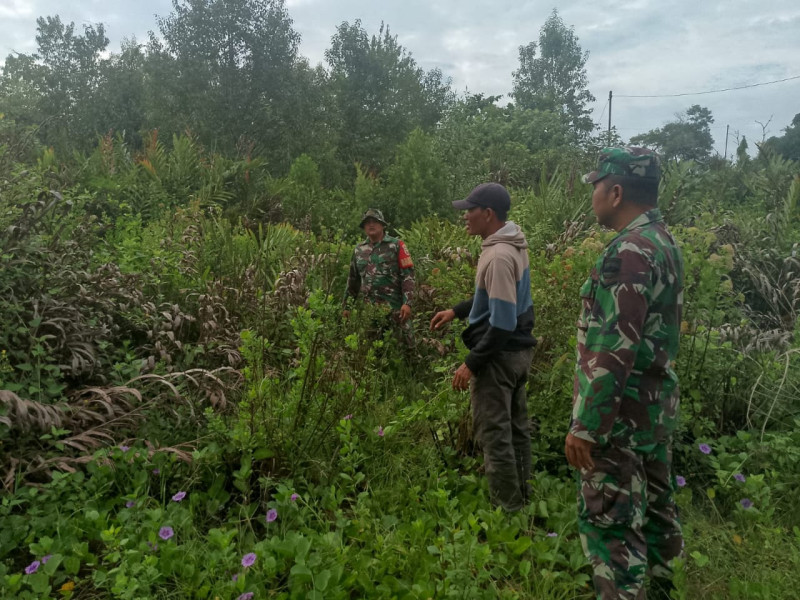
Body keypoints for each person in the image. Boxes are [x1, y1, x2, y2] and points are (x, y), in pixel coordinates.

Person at [564, 147, 685, 599]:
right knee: (656, 517)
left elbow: (614, 348)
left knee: (612, 530)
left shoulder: (629, 252)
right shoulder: (662, 241)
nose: (591, 194)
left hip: (619, 425)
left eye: (596, 185)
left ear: (616, 192)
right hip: (652, 413)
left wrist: (588, 426)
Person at [430, 183, 536, 511]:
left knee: (495, 436)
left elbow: (502, 323)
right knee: (517, 429)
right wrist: (458, 311)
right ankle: (525, 497)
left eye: (470, 210)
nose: (465, 217)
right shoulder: (511, 244)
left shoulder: (499, 256)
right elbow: (494, 301)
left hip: (499, 358)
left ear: (488, 214)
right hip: (518, 354)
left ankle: (509, 513)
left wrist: (471, 363)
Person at [343, 209, 415, 344]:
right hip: (370, 313)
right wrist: (347, 306)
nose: (371, 225)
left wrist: (407, 303)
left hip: (395, 310)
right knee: (373, 352)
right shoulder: (359, 250)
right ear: (364, 227)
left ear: (382, 225)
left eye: (375, 222)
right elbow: (353, 280)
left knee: (407, 351)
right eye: (367, 222)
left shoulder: (397, 245)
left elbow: (408, 276)